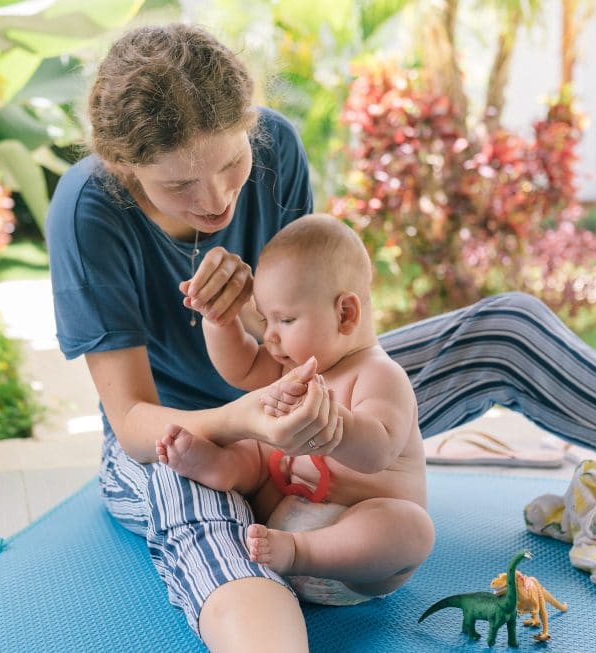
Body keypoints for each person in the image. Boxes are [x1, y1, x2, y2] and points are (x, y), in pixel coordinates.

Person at [47, 22, 596, 652]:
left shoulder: (275, 148)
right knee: (211, 514)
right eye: (180, 185)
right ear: (123, 168)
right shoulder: (89, 209)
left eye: (231, 165)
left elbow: (303, 328)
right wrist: (246, 421)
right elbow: (134, 424)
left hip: (297, 397)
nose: (214, 198)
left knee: (506, 326)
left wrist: (270, 346)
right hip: (184, 436)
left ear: (251, 131)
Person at [155, 213, 434, 606]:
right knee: (258, 446)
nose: (269, 335)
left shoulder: (378, 375)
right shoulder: (288, 364)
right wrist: (220, 321)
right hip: (276, 523)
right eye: (265, 318)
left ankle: (300, 551)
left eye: (285, 319)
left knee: (412, 530)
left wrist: (333, 426)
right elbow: (242, 367)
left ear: (345, 314)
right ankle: (220, 467)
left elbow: (379, 451)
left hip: (353, 557)